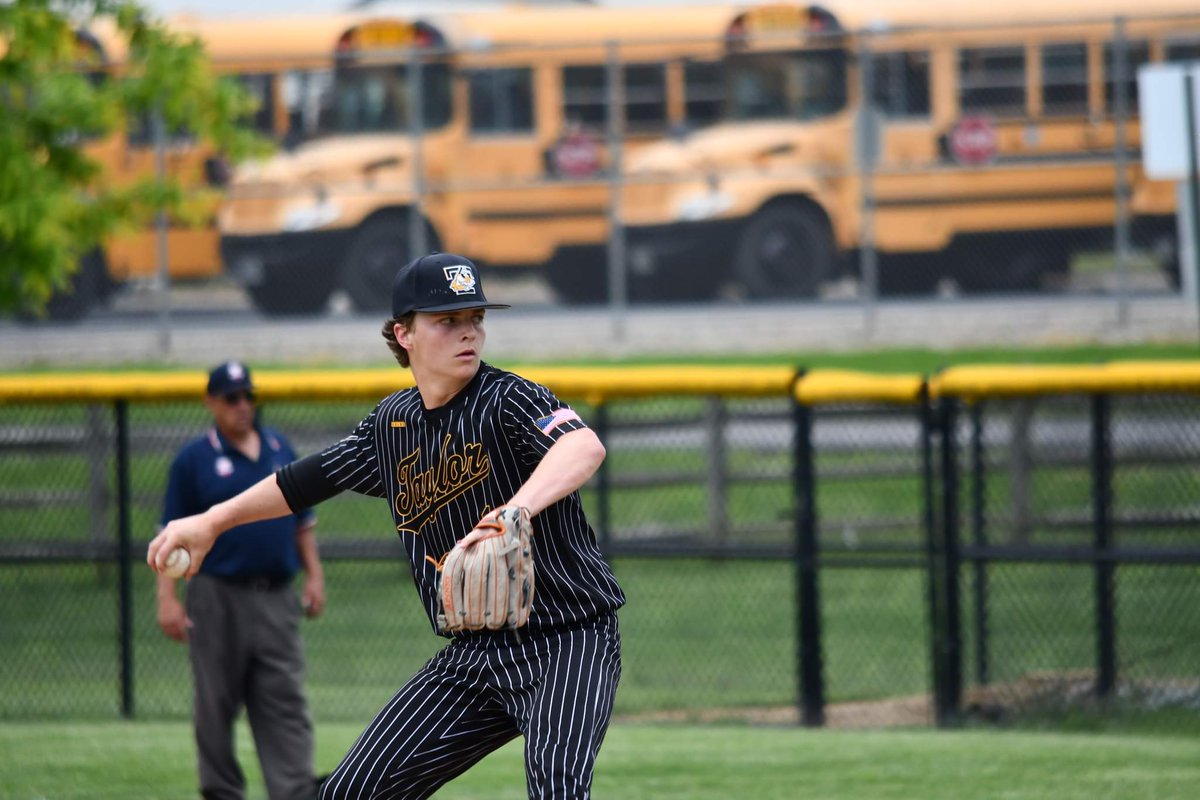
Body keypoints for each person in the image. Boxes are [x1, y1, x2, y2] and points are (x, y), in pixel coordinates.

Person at [149, 253, 625, 799]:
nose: (468, 332)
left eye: (475, 318)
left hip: (570, 637)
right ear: (405, 334)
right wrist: (212, 521)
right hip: (474, 655)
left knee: (557, 788)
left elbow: (582, 445)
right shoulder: (392, 426)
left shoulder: (509, 398)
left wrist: (513, 510)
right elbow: (304, 481)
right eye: (447, 321)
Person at [156, 360, 326, 800]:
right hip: (216, 595)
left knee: (284, 699)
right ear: (211, 402)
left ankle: (294, 791)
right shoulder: (194, 460)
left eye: (248, 396)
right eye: (231, 398)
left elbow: (302, 523)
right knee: (216, 703)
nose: (242, 406)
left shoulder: (278, 447)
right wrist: (167, 600)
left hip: (276, 596)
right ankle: (221, 791)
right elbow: (168, 537)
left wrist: (315, 577)